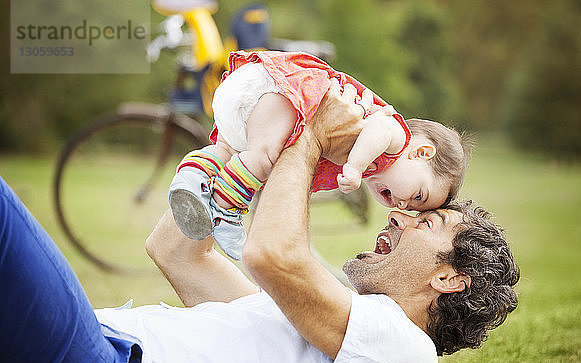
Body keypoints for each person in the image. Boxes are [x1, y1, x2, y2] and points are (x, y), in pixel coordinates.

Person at [0, 82, 518, 363]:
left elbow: (271, 254)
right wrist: (244, 145)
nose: (398, 217)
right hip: (100, 351)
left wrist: (308, 134)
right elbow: (176, 250)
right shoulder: (300, 329)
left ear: (449, 277)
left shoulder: (408, 358)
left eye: (424, 222)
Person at [168, 50, 469, 259]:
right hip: (282, 89)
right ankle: (225, 211)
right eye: (418, 195)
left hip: (247, 96)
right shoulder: (398, 137)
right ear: (422, 152)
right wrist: (354, 166)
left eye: (414, 208)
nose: (404, 205)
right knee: (261, 157)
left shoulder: (387, 158)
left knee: (228, 151)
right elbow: (378, 130)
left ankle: (190, 178)